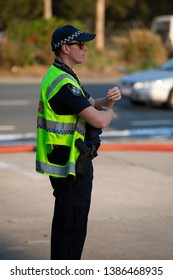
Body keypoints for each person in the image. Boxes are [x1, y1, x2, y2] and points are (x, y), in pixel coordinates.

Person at [36, 24, 121, 260]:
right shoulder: (63, 84)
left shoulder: (64, 75)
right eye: (80, 44)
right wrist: (110, 114)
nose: (86, 48)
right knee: (70, 231)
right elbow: (98, 119)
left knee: (69, 225)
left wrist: (108, 101)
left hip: (71, 162)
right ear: (65, 48)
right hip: (71, 167)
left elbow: (92, 103)